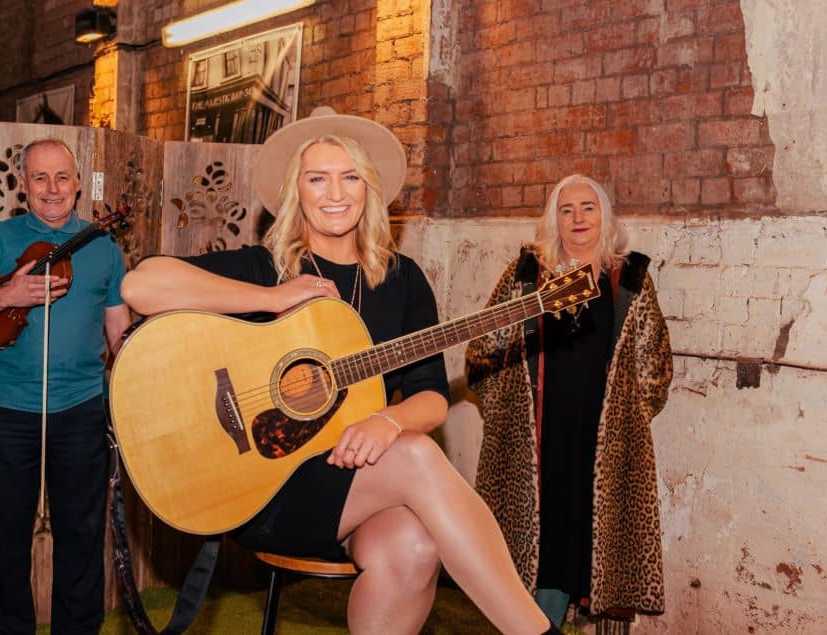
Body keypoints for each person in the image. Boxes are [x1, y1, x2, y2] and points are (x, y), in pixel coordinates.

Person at [120, 107, 561, 635]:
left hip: (355, 477)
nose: (335, 192)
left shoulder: (403, 280)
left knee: (415, 547)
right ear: (296, 193)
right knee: (419, 455)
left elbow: (431, 396)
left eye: (350, 176)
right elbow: (139, 287)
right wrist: (271, 297)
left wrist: (388, 422)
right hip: (266, 487)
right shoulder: (266, 268)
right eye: (317, 178)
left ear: (369, 189)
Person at [0, 138, 132, 634]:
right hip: (7, 411)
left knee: (82, 539)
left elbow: (119, 334)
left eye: (62, 176)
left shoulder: (103, 246)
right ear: (23, 187)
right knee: (7, 538)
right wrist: (7, 294)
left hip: (82, 410)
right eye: (40, 178)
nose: (52, 188)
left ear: (79, 183)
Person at [465, 174, 673, 631]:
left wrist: (624, 418)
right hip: (536, 441)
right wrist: (512, 408)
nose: (578, 218)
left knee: (593, 549)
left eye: (588, 207)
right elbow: (483, 349)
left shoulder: (630, 279)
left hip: (602, 447)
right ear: (553, 221)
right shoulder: (526, 275)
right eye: (566, 209)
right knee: (544, 548)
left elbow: (654, 368)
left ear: (605, 216)